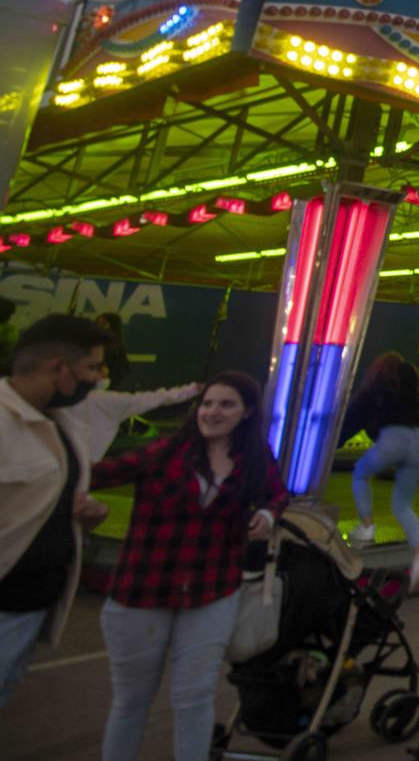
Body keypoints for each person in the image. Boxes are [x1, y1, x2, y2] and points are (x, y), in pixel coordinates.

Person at [92, 372, 284, 761]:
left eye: (226, 404)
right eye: (208, 403)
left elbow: (278, 493)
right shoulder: (165, 452)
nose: (212, 412)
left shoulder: (256, 458)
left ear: (247, 412)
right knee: (132, 700)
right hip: (142, 590)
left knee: (195, 697)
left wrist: (267, 513)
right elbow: (98, 474)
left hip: (212, 590)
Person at [0, 316, 107, 710]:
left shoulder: (64, 425)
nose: (97, 378)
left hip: (34, 605)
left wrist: (83, 513)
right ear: (57, 368)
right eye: (92, 368)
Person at [343, 352, 419, 587]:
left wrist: (335, 442)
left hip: (392, 438)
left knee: (361, 472)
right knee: (402, 505)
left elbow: (354, 417)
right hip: (418, 441)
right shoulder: (412, 387)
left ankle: (366, 527)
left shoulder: (377, 386)